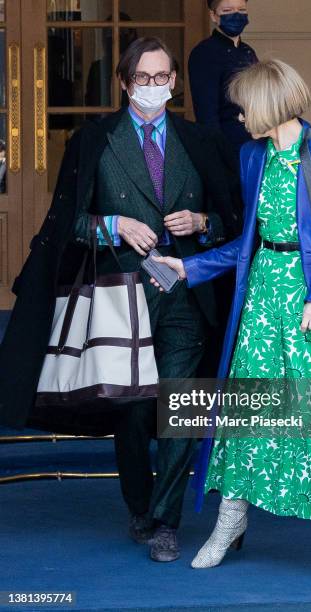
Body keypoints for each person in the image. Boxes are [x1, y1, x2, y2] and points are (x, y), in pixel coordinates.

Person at [148, 59, 311, 581]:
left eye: (244, 109)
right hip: (261, 301)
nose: (239, 118)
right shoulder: (251, 156)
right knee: (247, 419)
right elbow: (249, 244)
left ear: (266, 105)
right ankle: (228, 523)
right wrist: (188, 266)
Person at [0, 37, 243, 563]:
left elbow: (233, 220)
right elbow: (66, 223)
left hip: (185, 292)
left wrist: (203, 223)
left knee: (182, 407)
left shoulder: (201, 142)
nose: (153, 88)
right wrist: (111, 223)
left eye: (162, 78)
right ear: (125, 83)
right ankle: (139, 505)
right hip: (121, 295)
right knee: (133, 411)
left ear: (175, 82)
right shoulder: (95, 140)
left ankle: (164, 521)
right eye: (143, 79)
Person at [188, 0, 258, 156]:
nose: (236, 15)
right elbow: (207, 116)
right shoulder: (204, 53)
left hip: (256, 144)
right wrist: (220, 156)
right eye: (227, 10)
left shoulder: (248, 52)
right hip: (228, 148)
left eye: (241, 9)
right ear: (213, 15)